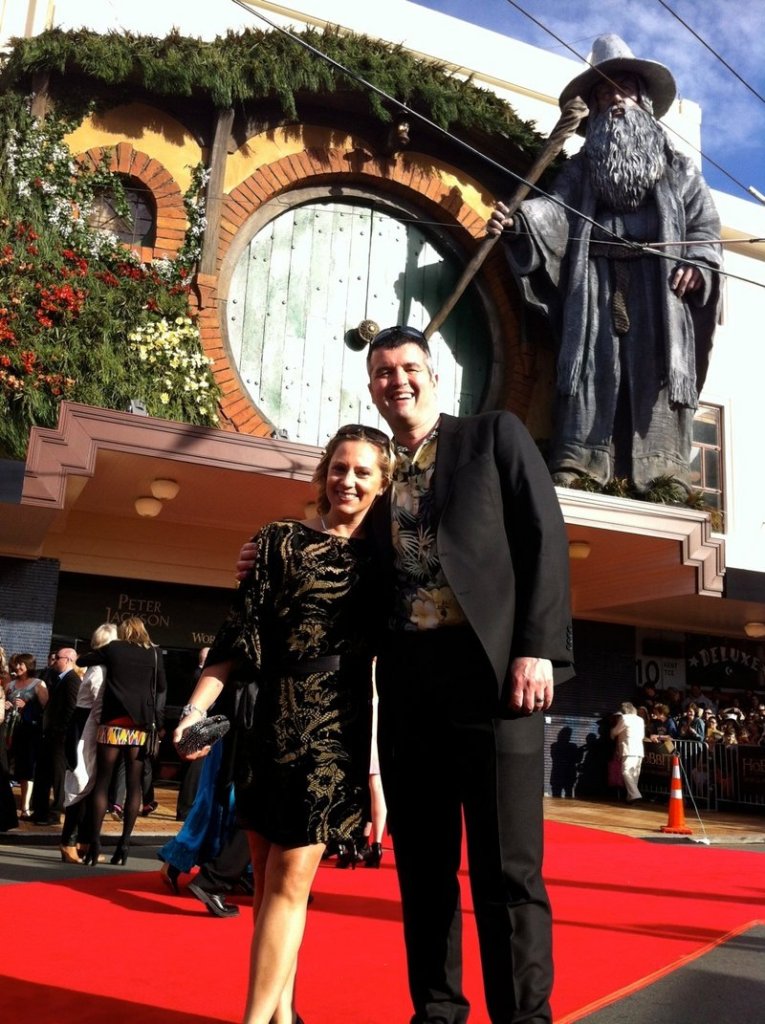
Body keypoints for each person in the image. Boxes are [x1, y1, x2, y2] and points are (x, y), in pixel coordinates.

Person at [176, 424, 393, 1024]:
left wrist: (375, 775)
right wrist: (194, 711)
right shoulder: (278, 540)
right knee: (271, 878)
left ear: (384, 483)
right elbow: (236, 636)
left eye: (363, 471)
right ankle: (282, 1014)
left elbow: (385, 671)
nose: (347, 480)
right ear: (323, 473)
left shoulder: (391, 562)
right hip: (269, 718)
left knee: (291, 882)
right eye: (339, 467)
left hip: (336, 727)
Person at [487, 34, 722, 492]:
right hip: (593, 286)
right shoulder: (580, 169)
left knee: (655, 373)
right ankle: (580, 462)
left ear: (643, 100)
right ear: (592, 109)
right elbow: (553, 211)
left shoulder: (680, 170)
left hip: (660, 291)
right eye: (602, 93)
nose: (614, 100)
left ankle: (663, 470)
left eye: (623, 89)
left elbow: (704, 226)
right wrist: (518, 222)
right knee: (592, 368)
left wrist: (699, 260)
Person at [77, 616, 167, 866]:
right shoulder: (155, 654)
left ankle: (94, 845)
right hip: (139, 725)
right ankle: (124, 845)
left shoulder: (114, 648)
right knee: (134, 784)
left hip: (113, 722)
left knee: (103, 782)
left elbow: (83, 659)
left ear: (123, 632)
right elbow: (161, 686)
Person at [59, 623, 118, 863]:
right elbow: (95, 699)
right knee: (80, 781)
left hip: (89, 726)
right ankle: (68, 842)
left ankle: (82, 841)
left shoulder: (99, 666)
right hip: (84, 728)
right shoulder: (98, 668)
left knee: (90, 784)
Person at [31, 647, 80, 825]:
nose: (54, 661)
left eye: (57, 658)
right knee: (43, 773)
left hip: (60, 738)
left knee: (58, 775)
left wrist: (60, 731)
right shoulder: (58, 679)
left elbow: (71, 709)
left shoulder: (72, 680)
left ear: (67, 660)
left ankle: (55, 811)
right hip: (50, 735)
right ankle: (40, 809)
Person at [5, 653, 48, 819]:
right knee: (7, 766)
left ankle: (25, 806)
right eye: (17, 664)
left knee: (26, 768)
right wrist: (6, 704)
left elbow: (45, 708)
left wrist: (28, 704)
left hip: (28, 731)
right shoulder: (12, 684)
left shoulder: (38, 684)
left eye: (22, 665)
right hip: (10, 729)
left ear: (29, 666)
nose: (18, 667)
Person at [609, 701, 645, 803]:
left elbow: (616, 731)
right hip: (639, 749)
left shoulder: (624, 718)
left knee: (626, 771)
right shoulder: (640, 720)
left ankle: (635, 794)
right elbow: (642, 735)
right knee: (634, 775)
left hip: (628, 749)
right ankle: (630, 797)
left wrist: (611, 733)